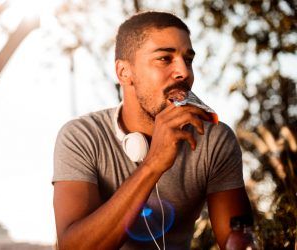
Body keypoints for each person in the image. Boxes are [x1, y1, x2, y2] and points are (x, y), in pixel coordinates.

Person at [52, 11, 252, 250]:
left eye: (187, 60)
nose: (184, 72)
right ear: (124, 73)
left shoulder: (213, 140)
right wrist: (153, 164)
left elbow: (237, 240)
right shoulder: (80, 137)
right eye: (165, 59)